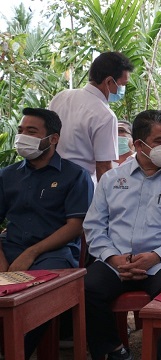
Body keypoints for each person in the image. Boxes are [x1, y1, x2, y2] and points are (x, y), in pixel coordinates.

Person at [83, 109, 161, 360]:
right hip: (117, 260)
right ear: (139, 144)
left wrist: (156, 256)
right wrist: (112, 258)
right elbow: (94, 225)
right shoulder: (112, 180)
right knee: (87, 288)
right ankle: (112, 350)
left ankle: (157, 355)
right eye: (160, 141)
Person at [0, 107, 93, 358]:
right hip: (10, 247)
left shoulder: (75, 176)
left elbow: (75, 226)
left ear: (53, 139)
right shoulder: (7, 176)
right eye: (21, 131)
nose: (22, 137)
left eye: (31, 131)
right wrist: (2, 259)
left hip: (55, 252)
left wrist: (31, 253)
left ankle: (15, 351)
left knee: (34, 296)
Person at [49, 51, 134, 184]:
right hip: (79, 186)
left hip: (49, 179)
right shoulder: (105, 115)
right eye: (122, 84)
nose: (122, 89)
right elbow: (104, 167)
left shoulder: (61, 97)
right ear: (109, 81)